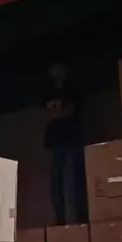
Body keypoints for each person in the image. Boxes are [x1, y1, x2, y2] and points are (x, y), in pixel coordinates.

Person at [43, 62, 87, 225]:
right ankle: (60, 223)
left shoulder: (72, 89)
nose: (55, 72)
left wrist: (54, 113)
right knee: (55, 185)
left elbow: (68, 112)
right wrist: (57, 113)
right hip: (53, 143)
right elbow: (44, 116)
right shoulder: (48, 92)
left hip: (71, 141)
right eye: (53, 69)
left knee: (73, 183)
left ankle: (78, 222)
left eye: (58, 69)